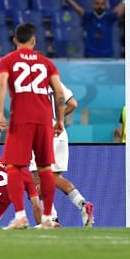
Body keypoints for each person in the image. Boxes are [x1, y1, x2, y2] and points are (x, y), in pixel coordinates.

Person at [0, 23, 66, 230]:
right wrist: (60, 120)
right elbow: (60, 94)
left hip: (22, 118)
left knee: (14, 167)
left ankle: (20, 216)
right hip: (45, 118)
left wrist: (0, 113)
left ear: (15, 40)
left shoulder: (7, 60)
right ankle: (47, 218)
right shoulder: (46, 63)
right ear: (34, 41)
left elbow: (2, 84)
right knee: (45, 168)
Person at [28, 80, 95, 227]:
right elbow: (73, 104)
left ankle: (51, 219)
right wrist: (57, 119)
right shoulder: (55, 83)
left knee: (38, 177)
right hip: (60, 133)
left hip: (43, 134)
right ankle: (83, 204)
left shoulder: (28, 86)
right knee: (54, 176)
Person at [59, 0, 125, 58]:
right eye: (97, 3)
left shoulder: (109, 18)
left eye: (102, 4)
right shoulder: (88, 17)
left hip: (107, 56)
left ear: (105, 6)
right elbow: (76, 7)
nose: (100, 6)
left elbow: (121, 7)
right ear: (93, 5)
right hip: (90, 55)